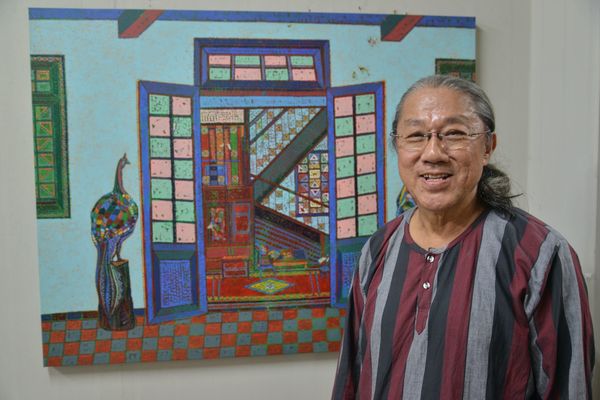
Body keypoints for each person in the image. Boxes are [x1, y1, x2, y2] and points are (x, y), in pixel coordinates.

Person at [331, 75, 594, 399]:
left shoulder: (540, 254)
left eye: (454, 133)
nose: (432, 153)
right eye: (415, 135)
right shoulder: (378, 249)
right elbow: (351, 380)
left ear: (487, 147)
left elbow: (569, 388)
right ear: (397, 147)